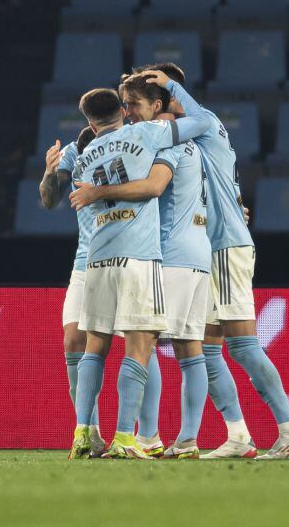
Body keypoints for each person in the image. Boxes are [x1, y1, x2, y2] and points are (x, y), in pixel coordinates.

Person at [140, 68, 289, 460]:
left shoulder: (204, 123)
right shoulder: (188, 141)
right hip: (204, 250)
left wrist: (167, 85)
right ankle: (237, 435)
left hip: (225, 248)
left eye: (150, 99)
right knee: (209, 350)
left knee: (244, 345)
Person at [71, 71, 212, 459]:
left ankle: (83, 433)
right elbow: (202, 124)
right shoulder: (146, 137)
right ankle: (125, 437)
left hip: (99, 256)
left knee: (94, 347)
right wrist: (172, 87)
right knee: (140, 346)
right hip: (138, 256)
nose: (132, 110)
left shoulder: (85, 155)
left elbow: (81, 196)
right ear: (121, 110)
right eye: (128, 104)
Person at [38, 126, 108, 458]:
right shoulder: (76, 147)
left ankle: (143, 435)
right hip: (85, 262)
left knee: (141, 343)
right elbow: (49, 199)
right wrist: (50, 172)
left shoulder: (135, 144)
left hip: (131, 257)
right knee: (72, 341)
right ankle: (88, 430)